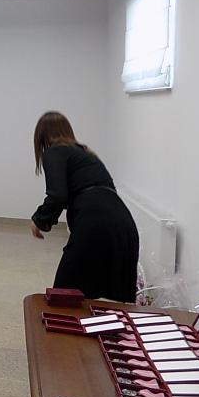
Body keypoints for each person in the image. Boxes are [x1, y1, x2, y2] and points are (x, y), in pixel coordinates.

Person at [30, 111, 139, 302]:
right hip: (124, 224)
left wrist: (39, 220)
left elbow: (58, 195)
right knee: (114, 302)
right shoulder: (86, 153)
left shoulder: (55, 151)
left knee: (64, 296)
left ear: (42, 137)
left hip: (96, 225)